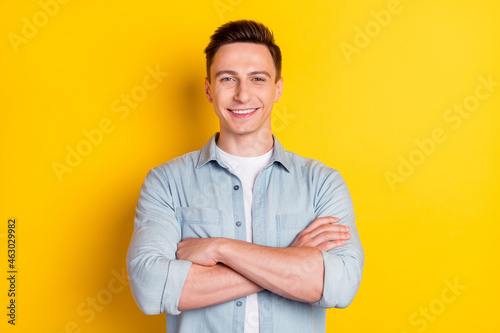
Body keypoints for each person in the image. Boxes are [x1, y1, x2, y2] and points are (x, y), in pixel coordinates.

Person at [126, 19, 364, 333]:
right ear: (210, 90)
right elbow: (151, 288)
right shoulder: (166, 183)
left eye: (257, 78)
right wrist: (292, 260)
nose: (242, 94)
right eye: (228, 79)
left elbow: (340, 285)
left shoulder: (322, 183)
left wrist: (221, 249)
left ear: (277, 88)